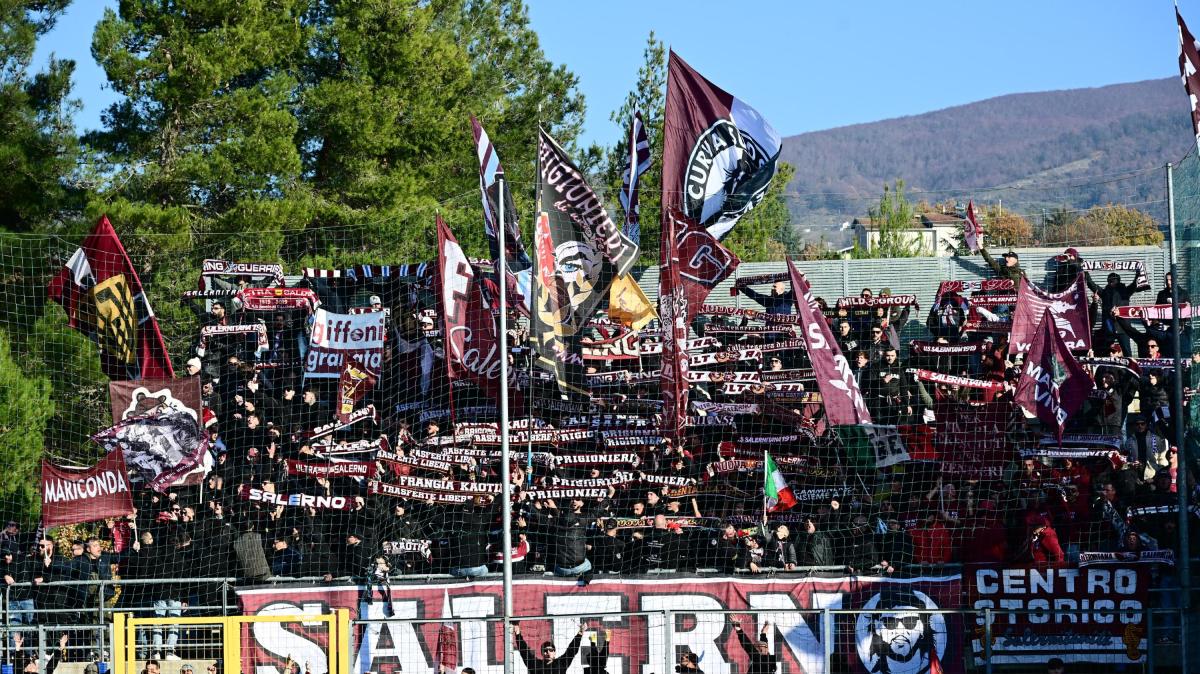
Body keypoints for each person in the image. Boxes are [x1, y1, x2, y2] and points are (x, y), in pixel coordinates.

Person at [861, 591, 941, 674]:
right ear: (878, 628)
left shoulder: (932, 667)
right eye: (890, 622)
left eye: (910, 621)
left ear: (922, 627)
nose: (900, 630)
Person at [512, 623, 584, 674]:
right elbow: (525, 652)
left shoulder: (561, 663)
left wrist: (580, 633)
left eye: (551, 650)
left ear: (554, 652)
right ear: (542, 653)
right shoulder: (536, 665)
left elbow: (571, 650)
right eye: (545, 650)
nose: (548, 652)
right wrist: (518, 634)